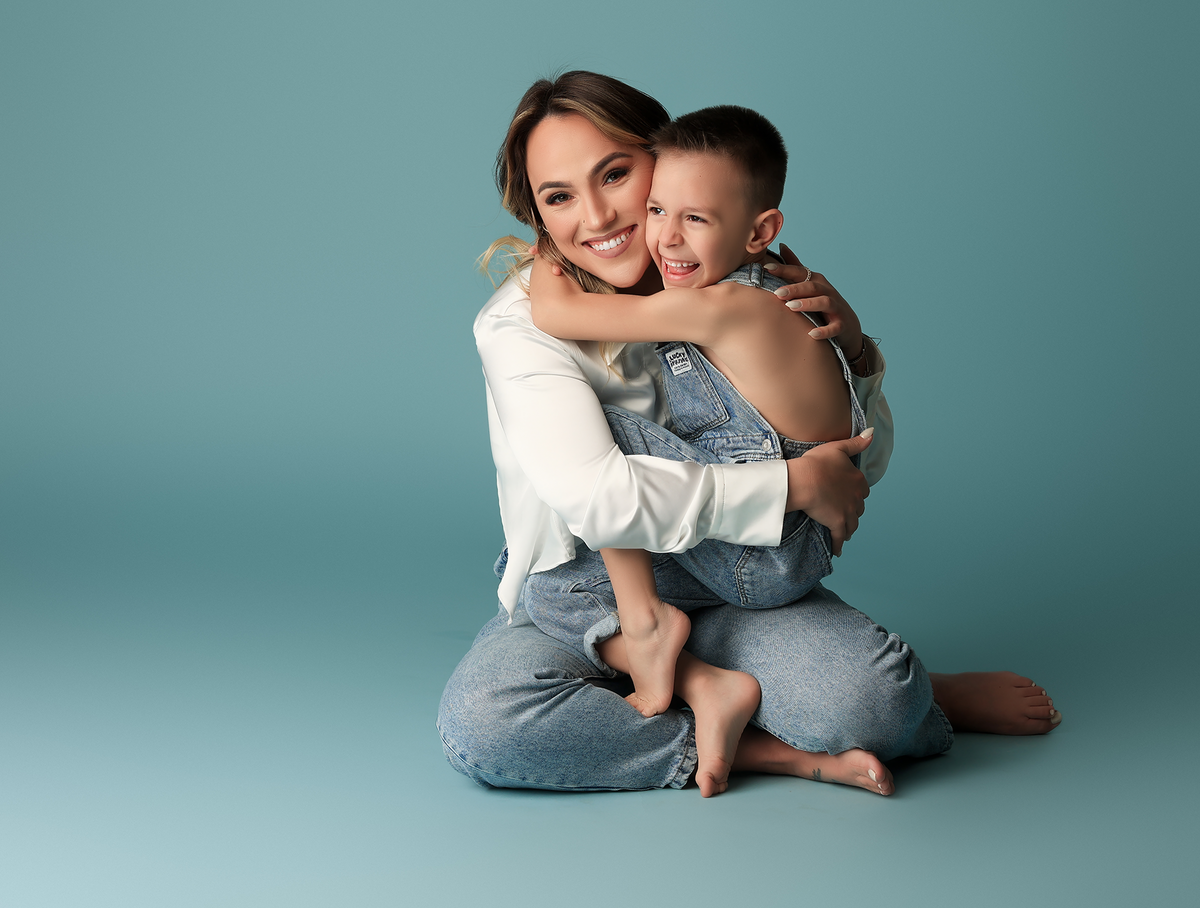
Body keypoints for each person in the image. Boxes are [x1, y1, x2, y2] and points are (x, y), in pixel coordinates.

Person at [437, 71, 1060, 800]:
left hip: (740, 587)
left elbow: (859, 464)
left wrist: (856, 359)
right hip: (597, 596)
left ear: (663, 162)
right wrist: (792, 484)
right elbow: (599, 499)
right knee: (488, 721)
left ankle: (919, 697)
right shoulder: (520, 324)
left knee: (875, 702)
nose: (600, 214)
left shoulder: (724, 270)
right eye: (559, 197)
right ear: (538, 218)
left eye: (616, 173)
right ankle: (763, 739)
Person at [524, 104, 874, 751]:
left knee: (600, 432)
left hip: (762, 553)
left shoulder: (725, 307)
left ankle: (651, 630)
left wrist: (547, 245)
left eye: (696, 218)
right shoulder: (770, 288)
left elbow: (560, 313)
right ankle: (706, 679)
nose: (667, 238)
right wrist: (860, 349)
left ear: (758, 229)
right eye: (657, 209)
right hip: (780, 541)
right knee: (552, 591)